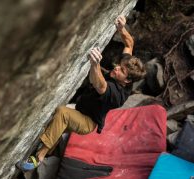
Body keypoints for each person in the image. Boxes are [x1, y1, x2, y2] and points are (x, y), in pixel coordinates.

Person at [16, 15, 146, 171]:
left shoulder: (118, 95)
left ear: (127, 81)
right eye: (120, 65)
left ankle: (38, 158)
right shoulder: (125, 67)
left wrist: (95, 64)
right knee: (61, 126)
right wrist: (121, 28)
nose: (117, 68)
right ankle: (50, 152)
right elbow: (129, 43)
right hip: (82, 108)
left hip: (87, 122)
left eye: (122, 71)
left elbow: (99, 85)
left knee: (62, 113)